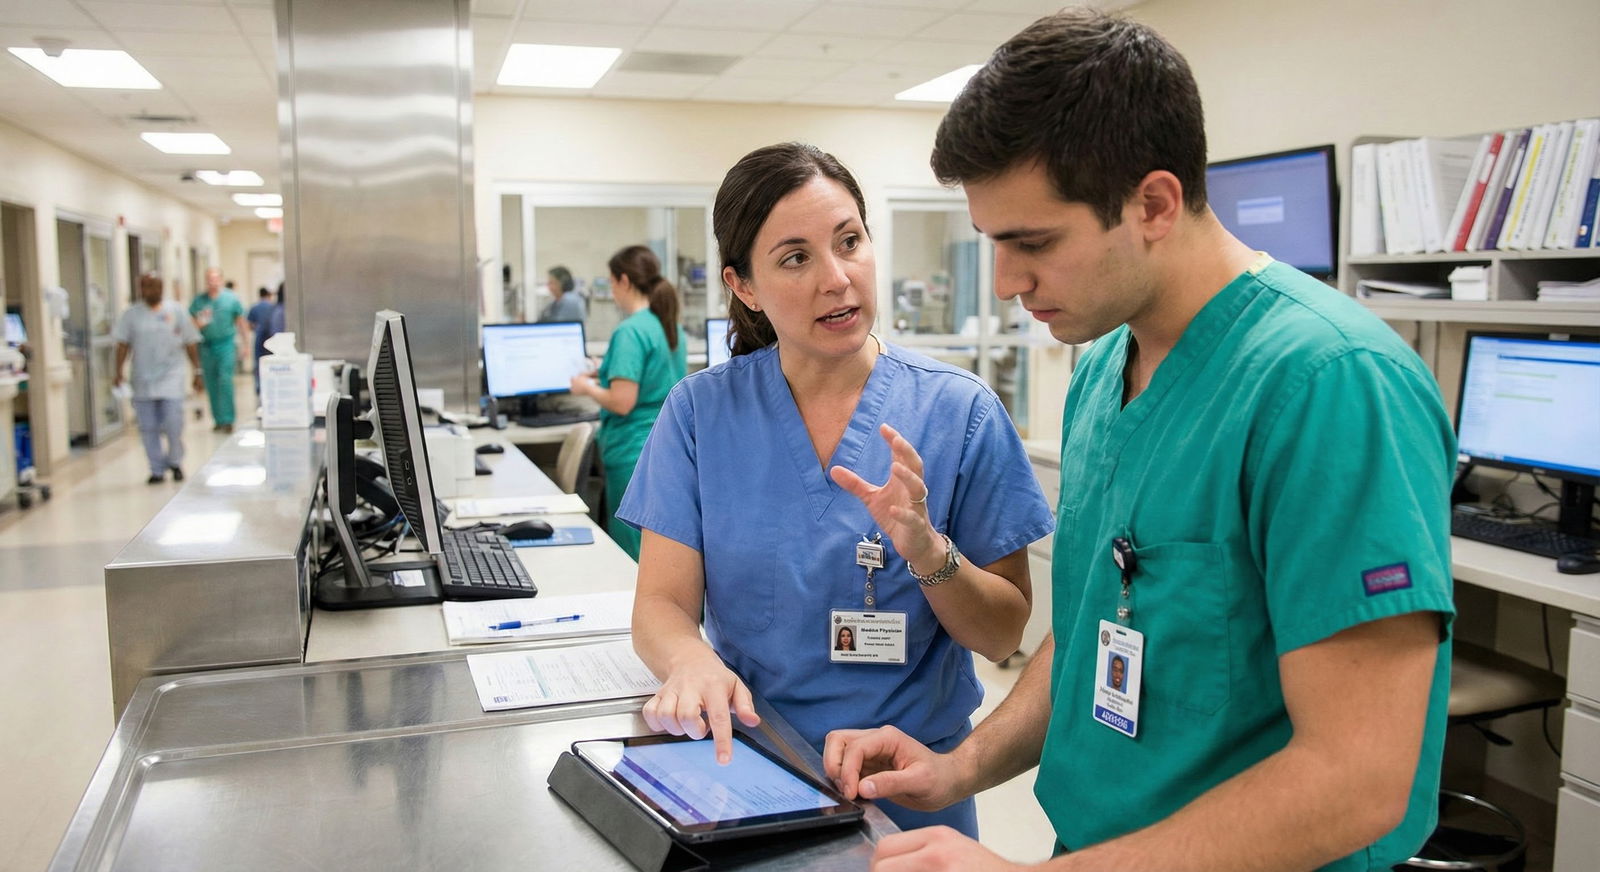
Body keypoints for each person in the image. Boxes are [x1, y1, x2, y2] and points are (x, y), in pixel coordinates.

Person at [822, 11, 1456, 872]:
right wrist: (961, 763)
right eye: (993, 245)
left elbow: (1357, 777)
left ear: (1152, 203)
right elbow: (1089, 634)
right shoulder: (1104, 366)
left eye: (1033, 243)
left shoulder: (1329, 386)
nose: (1007, 283)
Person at [616, 143, 1055, 837]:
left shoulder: (959, 413)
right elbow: (662, 604)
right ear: (744, 286)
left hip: (910, 789)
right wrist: (690, 660)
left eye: (849, 242)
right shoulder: (700, 415)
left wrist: (927, 549)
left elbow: (1002, 635)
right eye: (796, 258)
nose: (837, 278)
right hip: (750, 778)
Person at [569, 246, 687, 559]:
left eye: (611, 283)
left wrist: (587, 387)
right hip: (666, 447)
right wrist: (605, 369)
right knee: (661, 545)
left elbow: (622, 402)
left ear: (623, 281)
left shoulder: (630, 331)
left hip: (631, 449)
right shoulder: (669, 324)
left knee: (629, 547)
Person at [113, 273, 202, 483]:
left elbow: (190, 342)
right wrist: (118, 372)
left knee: (173, 423)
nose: (154, 291)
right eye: (149, 287)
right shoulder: (131, 315)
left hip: (172, 376)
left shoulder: (177, 311)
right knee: (148, 427)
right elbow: (122, 344)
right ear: (141, 288)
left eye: (157, 287)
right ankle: (156, 469)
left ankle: (175, 461)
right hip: (143, 379)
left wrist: (197, 371)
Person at [188, 268, 247, 433]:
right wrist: (199, 323)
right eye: (209, 279)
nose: (212, 282)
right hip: (206, 345)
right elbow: (191, 321)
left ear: (221, 280)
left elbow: (241, 321)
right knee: (211, 383)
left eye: (215, 279)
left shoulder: (231, 299)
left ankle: (228, 419)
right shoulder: (199, 301)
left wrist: (246, 344)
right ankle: (218, 419)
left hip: (226, 344)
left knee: (225, 380)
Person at [246, 286, 278, 392]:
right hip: (271, 338)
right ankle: (272, 385)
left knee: (259, 362)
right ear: (268, 295)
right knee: (272, 362)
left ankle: (259, 386)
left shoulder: (254, 307)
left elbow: (250, 325)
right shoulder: (273, 306)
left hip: (259, 338)